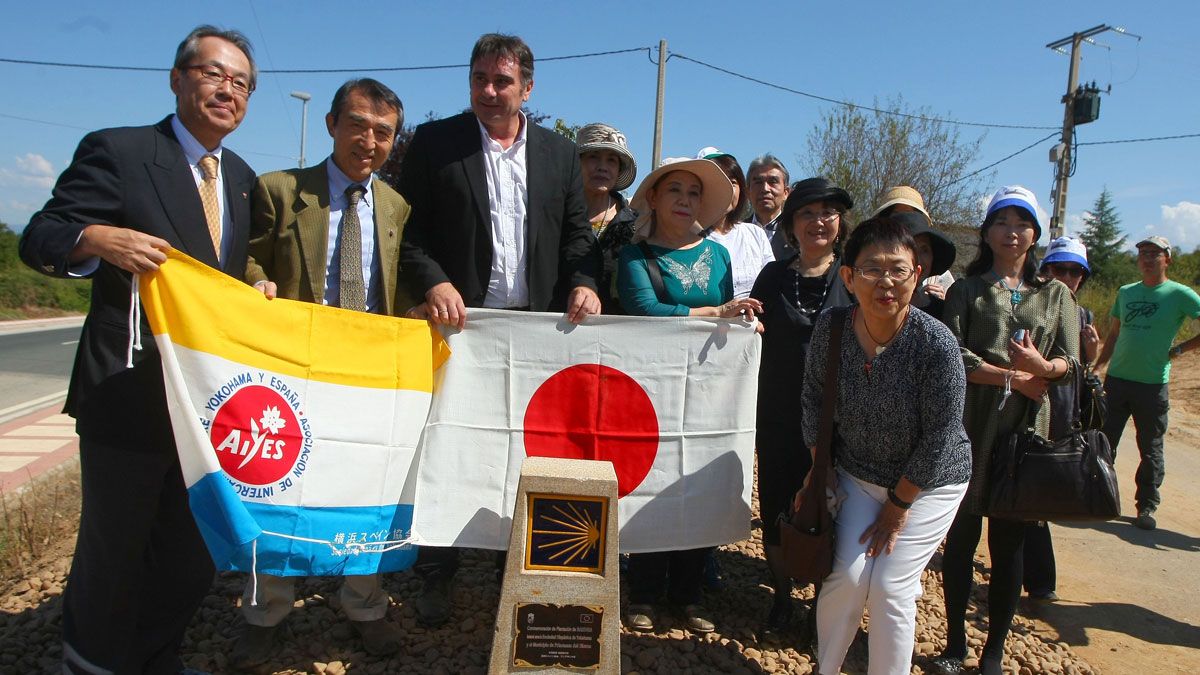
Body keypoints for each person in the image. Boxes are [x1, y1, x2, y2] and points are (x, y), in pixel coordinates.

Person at [18, 25, 257, 674]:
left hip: (200, 410)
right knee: (114, 551)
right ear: (178, 78)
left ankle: (154, 658)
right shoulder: (121, 152)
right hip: (126, 396)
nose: (226, 91)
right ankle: (90, 661)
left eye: (240, 83)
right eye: (213, 74)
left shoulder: (238, 178)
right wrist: (99, 238)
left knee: (188, 555)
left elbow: (216, 281)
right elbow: (42, 235)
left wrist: (253, 284)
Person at [396, 33, 600, 627]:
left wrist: (585, 280)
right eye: (479, 79)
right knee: (450, 448)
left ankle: (530, 571)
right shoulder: (437, 144)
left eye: (501, 80)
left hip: (537, 332)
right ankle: (437, 571)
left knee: (534, 448)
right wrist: (432, 280)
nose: (488, 91)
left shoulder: (561, 154)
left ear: (527, 88)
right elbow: (408, 234)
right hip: (460, 331)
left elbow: (577, 238)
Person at [231, 78, 409, 667]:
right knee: (276, 485)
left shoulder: (395, 205)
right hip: (291, 369)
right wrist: (256, 280)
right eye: (358, 124)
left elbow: (397, 281)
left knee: (365, 492)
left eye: (383, 132)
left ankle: (365, 604)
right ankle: (265, 612)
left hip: (365, 373)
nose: (369, 140)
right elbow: (246, 253)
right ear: (332, 124)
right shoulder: (281, 190)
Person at [803, 216, 971, 675]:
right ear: (849, 277)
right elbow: (814, 401)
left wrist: (897, 508)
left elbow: (940, 436)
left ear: (917, 276)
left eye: (898, 269)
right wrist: (820, 469)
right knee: (849, 579)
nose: (886, 282)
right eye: (872, 269)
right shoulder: (832, 328)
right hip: (859, 474)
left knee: (892, 586)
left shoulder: (937, 344)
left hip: (930, 484)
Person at [936, 186, 1080, 675]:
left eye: (1022, 223)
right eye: (1002, 221)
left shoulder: (1056, 293)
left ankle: (993, 652)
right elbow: (951, 354)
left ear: (1035, 233)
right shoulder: (966, 289)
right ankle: (955, 644)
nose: (1012, 232)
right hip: (971, 423)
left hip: (1025, 430)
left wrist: (1045, 365)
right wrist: (1010, 376)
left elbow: (1071, 360)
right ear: (987, 231)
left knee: (1009, 542)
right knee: (960, 538)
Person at [616, 157, 761, 633]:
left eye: (694, 193)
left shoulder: (718, 255)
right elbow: (645, 310)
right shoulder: (633, 256)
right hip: (649, 389)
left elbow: (722, 322)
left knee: (698, 482)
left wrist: (738, 320)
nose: (684, 199)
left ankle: (689, 590)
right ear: (653, 198)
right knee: (652, 478)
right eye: (674, 189)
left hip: (706, 390)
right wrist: (717, 309)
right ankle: (644, 589)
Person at [747, 176, 855, 633]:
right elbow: (750, 328)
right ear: (792, 224)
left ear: (840, 223)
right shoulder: (774, 276)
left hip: (839, 420)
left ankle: (821, 606)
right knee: (777, 503)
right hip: (777, 413)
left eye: (828, 212)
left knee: (832, 509)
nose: (818, 221)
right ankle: (781, 594)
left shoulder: (854, 276)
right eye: (808, 213)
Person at [1094, 235, 1200, 530]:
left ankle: (1147, 507)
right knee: (1104, 443)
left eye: (1154, 253)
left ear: (1167, 259)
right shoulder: (1126, 292)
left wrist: (1179, 350)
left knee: (1150, 448)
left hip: (1152, 386)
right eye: (1142, 253)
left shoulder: (1179, 294)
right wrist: (1100, 365)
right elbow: (1114, 334)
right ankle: (1101, 498)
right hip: (1117, 381)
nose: (1147, 259)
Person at [1021, 236, 1099, 602]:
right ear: (1045, 271)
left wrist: (1092, 356)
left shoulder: (1084, 317)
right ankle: (1033, 577)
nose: (1067, 277)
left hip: (1065, 411)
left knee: (1040, 495)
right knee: (1023, 491)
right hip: (1032, 405)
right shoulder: (1030, 303)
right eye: (1059, 269)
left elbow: (1081, 373)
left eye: (1075, 271)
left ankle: (1038, 580)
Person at [695, 147, 773, 300]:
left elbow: (772, 286)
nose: (725, 189)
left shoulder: (755, 234)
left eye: (732, 182)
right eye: (716, 182)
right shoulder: (688, 239)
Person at [576, 122, 638, 314]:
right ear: (576, 163)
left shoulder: (636, 224)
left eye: (611, 160)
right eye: (594, 157)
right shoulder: (554, 217)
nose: (603, 167)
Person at [872, 185, 954, 305]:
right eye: (897, 215)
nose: (917, 259)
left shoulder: (940, 290)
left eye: (924, 250)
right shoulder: (864, 293)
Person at [886, 210, 956, 322]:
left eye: (925, 250)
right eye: (910, 249)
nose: (918, 259)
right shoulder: (874, 305)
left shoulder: (942, 310)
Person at [746, 153, 793, 259]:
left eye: (773, 182)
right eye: (758, 182)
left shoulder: (796, 233)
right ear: (748, 192)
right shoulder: (736, 232)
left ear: (786, 192)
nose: (765, 189)